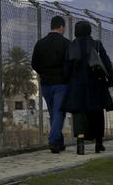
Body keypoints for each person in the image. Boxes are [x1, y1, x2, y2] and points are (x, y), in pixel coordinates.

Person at [62, 21, 113, 155]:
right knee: (97, 112)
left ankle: (80, 143)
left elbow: (67, 68)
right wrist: (110, 80)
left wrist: (68, 80)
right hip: (96, 84)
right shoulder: (96, 44)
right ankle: (98, 143)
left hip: (77, 85)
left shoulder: (72, 46)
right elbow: (107, 63)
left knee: (78, 112)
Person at [31, 15, 71, 153]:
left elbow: (34, 63)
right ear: (61, 27)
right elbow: (71, 63)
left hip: (46, 83)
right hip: (61, 83)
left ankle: (59, 142)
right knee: (59, 112)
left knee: (53, 112)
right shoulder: (66, 43)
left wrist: (44, 72)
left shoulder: (40, 43)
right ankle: (53, 141)